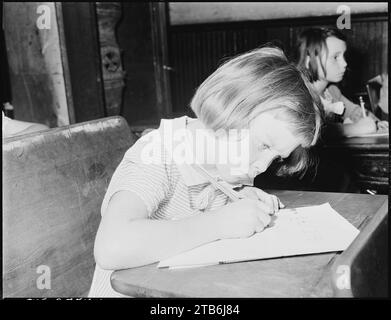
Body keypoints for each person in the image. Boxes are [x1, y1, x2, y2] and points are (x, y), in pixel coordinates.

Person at [88, 47, 322, 297]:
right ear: (230, 107)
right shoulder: (157, 153)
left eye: (275, 157)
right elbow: (111, 247)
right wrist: (219, 222)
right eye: (264, 145)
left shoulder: (220, 160)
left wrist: (240, 193)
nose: (263, 166)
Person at [296, 27, 388, 138]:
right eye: (335, 57)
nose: (345, 63)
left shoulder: (331, 91)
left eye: (343, 56)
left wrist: (376, 123)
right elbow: (311, 131)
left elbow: (354, 112)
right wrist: (356, 128)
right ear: (309, 60)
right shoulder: (298, 94)